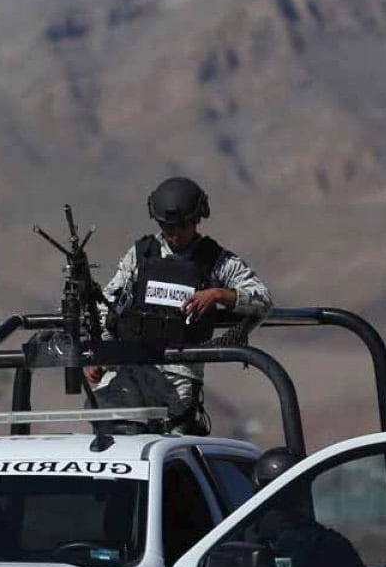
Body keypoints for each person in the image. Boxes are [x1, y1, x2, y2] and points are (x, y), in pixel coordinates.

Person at [91, 176, 271, 435]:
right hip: (129, 368)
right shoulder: (141, 255)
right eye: (167, 227)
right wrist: (102, 353)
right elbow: (105, 305)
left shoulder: (214, 260)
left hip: (179, 376)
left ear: (197, 220)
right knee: (111, 436)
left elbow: (263, 299)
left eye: (182, 226)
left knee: (171, 450)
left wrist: (219, 295)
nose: (175, 235)